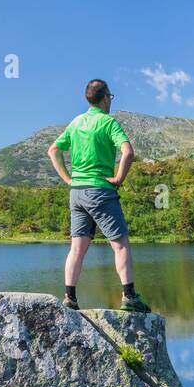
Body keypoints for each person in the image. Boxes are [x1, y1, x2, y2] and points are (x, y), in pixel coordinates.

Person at [47, 79, 150, 312]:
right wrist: (119, 178)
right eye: (110, 97)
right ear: (105, 98)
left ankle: (70, 298)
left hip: (77, 192)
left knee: (77, 248)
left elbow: (52, 150)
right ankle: (129, 297)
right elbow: (128, 152)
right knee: (120, 245)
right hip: (101, 190)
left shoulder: (75, 123)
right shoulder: (108, 122)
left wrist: (67, 179)